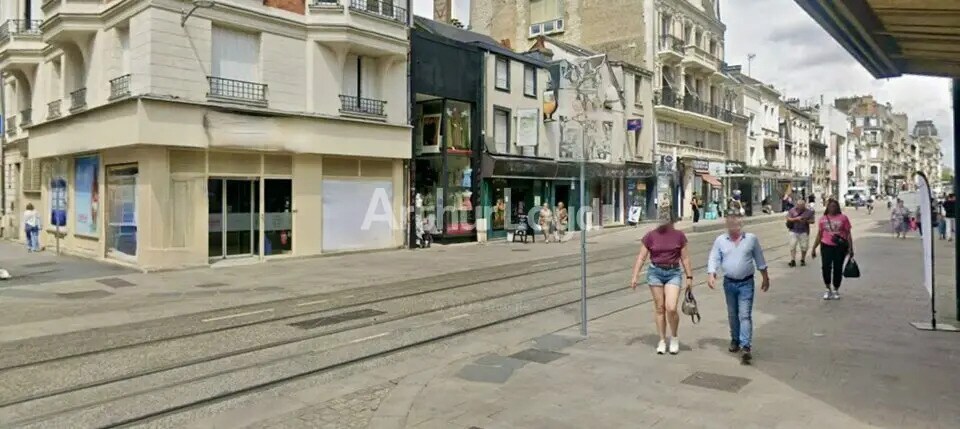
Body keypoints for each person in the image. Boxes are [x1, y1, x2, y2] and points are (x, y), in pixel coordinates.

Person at [707, 215, 770, 365]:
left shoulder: (751, 239)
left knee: (744, 315)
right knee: (732, 314)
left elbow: (759, 258)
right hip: (729, 283)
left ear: (741, 225)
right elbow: (714, 257)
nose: (733, 226)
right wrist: (711, 273)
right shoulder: (721, 240)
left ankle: (746, 346)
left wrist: (765, 277)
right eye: (730, 223)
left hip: (746, 283)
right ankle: (735, 339)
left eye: (736, 223)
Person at [630, 214, 694, 355]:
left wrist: (689, 277)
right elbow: (641, 257)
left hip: (673, 272)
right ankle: (662, 340)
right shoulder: (650, 236)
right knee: (660, 308)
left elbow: (685, 258)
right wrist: (635, 275)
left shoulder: (679, 236)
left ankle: (674, 337)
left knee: (671, 308)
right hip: (655, 273)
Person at [811, 199, 854, 300]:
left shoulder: (843, 218)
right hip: (826, 245)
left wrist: (851, 248)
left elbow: (848, 234)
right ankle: (827, 288)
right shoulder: (823, 219)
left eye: (834, 206)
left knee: (838, 268)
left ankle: (836, 289)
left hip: (840, 247)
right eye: (830, 206)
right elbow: (819, 234)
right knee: (826, 267)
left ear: (837, 207)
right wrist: (814, 248)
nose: (832, 208)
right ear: (827, 207)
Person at [786, 199, 815, 267]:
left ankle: (802, 259)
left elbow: (813, 221)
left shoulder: (809, 212)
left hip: (804, 231)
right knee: (792, 245)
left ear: (804, 205)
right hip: (793, 230)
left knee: (804, 247)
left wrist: (806, 221)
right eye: (799, 205)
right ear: (797, 205)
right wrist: (796, 219)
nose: (800, 207)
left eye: (802, 206)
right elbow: (788, 218)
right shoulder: (792, 210)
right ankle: (793, 260)